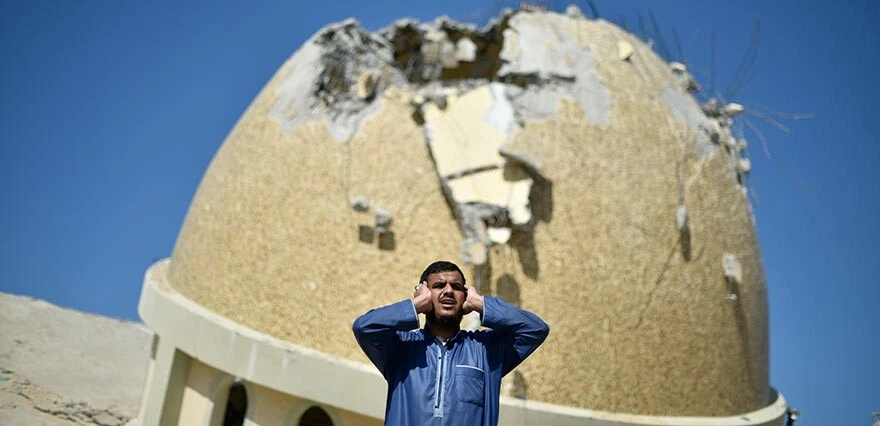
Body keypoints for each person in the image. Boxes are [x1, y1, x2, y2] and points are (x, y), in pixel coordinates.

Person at [352, 260, 549, 425]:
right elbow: (364, 328)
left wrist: (481, 303)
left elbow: (535, 329)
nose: (448, 291)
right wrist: (415, 306)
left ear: (465, 296)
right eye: (438, 286)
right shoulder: (401, 349)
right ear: (425, 294)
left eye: (456, 287)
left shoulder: (487, 351)